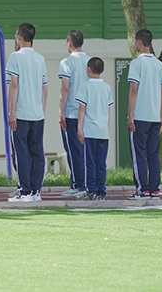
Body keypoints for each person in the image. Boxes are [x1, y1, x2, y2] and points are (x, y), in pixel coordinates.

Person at [6, 23, 48, 203]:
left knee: (21, 153)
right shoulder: (40, 58)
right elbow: (44, 88)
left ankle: (24, 191)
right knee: (37, 153)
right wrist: (43, 111)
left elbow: (14, 86)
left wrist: (12, 112)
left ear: (19, 37)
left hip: (21, 113)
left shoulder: (14, 57)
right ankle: (36, 191)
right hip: (37, 113)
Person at [126, 29, 162, 200]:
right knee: (153, 154)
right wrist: (161, 116)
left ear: (139, 42)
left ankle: (142, 189)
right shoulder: (159, 65)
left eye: (135, 41)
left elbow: (134, 90)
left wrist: (130, 114)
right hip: (155, 117)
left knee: (139, 154)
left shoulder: (136, 64)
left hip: (140, 116)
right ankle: (154, 189)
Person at [75, 57, 113, 201]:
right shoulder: (107, 87)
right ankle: (101, 191)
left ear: (88, 70)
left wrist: (80, 128)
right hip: (103, 131)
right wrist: (106, 128)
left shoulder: (85, 87)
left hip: (90, 130)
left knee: (89, 162)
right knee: (101, 163)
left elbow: (82, 108)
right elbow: (108, 110)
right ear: (103, 70)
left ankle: (91, 189)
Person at [58, 29, 90, 196]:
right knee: (87, 149)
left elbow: (65, 88)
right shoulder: (91, 61)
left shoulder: (66, 62)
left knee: (73, 149)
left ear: (69, 43)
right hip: (89, 113)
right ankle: (89, 182)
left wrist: (61, 111)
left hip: (72, 112)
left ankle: (78, 183)